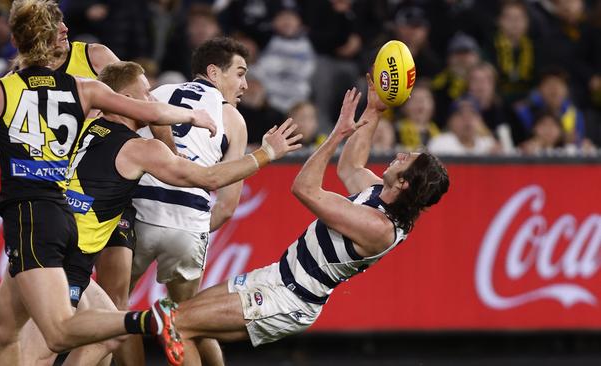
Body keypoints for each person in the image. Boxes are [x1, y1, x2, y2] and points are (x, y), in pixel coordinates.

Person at [0, 1, 218, 365]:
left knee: (58, 331)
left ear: (15, 40)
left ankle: (147, 319)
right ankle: (133, 320)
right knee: (4, 330)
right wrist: (193, 116)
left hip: (32, 217)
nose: (65, 27)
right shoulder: (84, 88)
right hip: (65, 213)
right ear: (53, 40)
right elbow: (150, 109)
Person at [24, 60, 301, 366]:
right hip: (69, 253)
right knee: (52, 343)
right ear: (125, 101)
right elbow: (209, 179)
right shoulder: (139, 149)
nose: (154, 100)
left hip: (38, 238)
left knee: (105, 325)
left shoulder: (83, 125)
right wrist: (266, 153)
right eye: (146, 94)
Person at [157, 78, 450, 364]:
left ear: (403, 184)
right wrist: (373, 110)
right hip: (276, 279)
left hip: (287, 299)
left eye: (405, 159)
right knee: (191, 323)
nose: (398, 154)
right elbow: (351, 166)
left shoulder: (379, 226)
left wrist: (337, 133)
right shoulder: (380, 195)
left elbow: (304, 188)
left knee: (177, 323)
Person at [130, 36, 255, 365]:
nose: (244, 84)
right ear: (214, 72)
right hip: (189, 222)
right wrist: (190, 225)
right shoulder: (232, 119)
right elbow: (226, 207)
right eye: (240, 73)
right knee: (188, 320)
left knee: (111, 312)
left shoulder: (155, 94)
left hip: (139, 215)